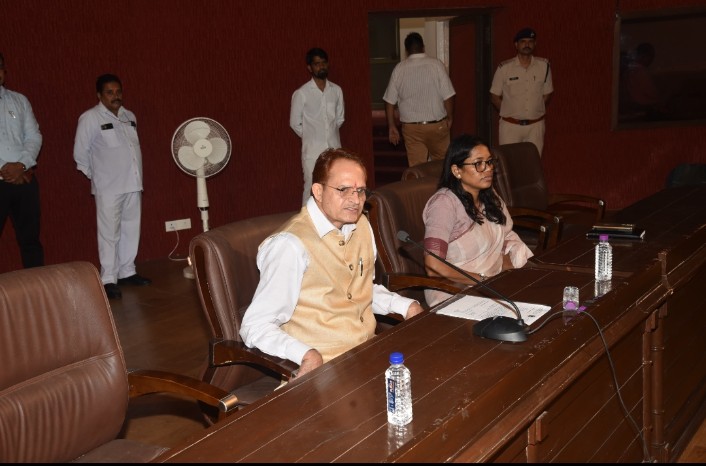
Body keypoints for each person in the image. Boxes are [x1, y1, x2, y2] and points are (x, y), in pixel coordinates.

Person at [240, 148, 424, 378]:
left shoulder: (361, 225)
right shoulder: (290, 245)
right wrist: (307, 355)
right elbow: (255, 325)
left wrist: (406, 306)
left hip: (369, 354)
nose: (355, 200)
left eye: (360, 190)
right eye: (343, 190)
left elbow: (361, 290)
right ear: (318, 191)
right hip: (326, 370)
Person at [422, 134, 533, 307]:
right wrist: (482, 280)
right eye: (478, 164)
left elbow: (505, 239)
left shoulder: (489, 195)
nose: (488, 169)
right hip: (454, 289)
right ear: (456, 170)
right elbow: (433, 265)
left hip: (493, 282)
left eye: (489, 162)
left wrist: (508, 276)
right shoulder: (444, 204)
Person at [73, 74, 151, 300]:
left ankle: (127, 271)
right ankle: (108, 278)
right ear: (99, 95)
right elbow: (80, 154)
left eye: (118, 92)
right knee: (109, 234)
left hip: (132, 183)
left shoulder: (129, 116)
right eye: (109, 92)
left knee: (131, 228)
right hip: (108, 187)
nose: (115, 96)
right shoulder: (90, 118)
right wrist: (98, 176)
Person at [383, 32, 456, 167]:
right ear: (423, 47)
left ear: (406, 50)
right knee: (441, 165)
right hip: (436, 125)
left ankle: (420, 182)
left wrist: (391, 126)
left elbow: (389, 101)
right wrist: (450, 117)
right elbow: (448, 95)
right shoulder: (436, 65)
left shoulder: (399, 69)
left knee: (417, 167)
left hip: (411, 128)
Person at [0, 52, 44, 269]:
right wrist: (4, 168)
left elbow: (34, 136)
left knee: (31, 241)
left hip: (24, 178)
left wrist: (21, 165)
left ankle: (36, 286)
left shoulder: (19, 100)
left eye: (0, 67)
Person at [290, 47, 345, 205]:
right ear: (309, 67)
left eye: (323, 63)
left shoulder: (336, 91)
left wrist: (328, 134)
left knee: (336, 186)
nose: (321, 66)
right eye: (316, 64)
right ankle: (305, 220)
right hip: (312, 151)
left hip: (334, 149)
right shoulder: (302, 93)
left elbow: (340, 118)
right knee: (311, 187)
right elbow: (294, 123)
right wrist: (311, 135)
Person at [490, 27, 553, 157]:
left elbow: (547, 93)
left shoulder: (544, 66)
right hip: (510, 126)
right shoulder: (504, 68)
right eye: (523, 41)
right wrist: (510, 110)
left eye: (530, 41)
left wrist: (534, 109)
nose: (527, 44)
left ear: (535, 44)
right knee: (509, 162)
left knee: (533, 162)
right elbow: (494, 96)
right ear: (516, 45)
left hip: (535, 126)